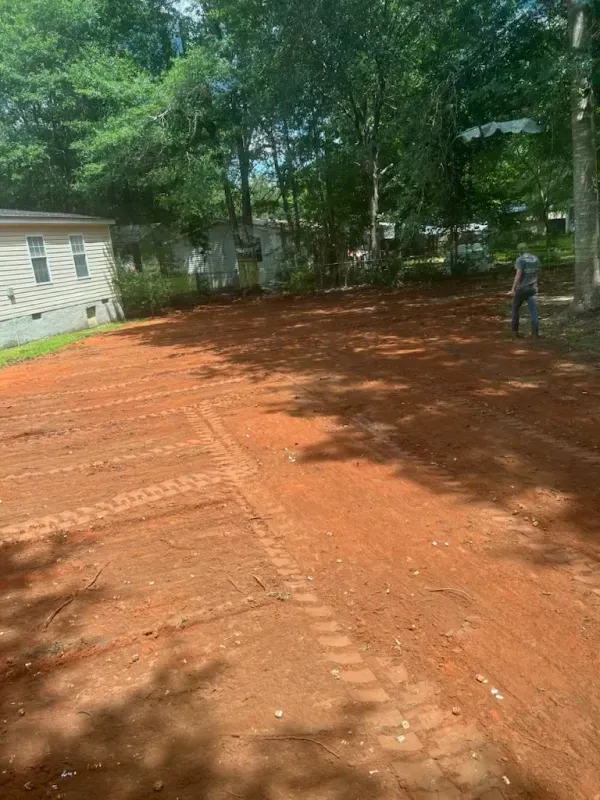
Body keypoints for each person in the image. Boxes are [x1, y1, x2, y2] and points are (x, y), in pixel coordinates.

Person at [510, 243, 540, 338]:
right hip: (533, 288)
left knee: (515, 308)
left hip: (522, 289)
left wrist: (513, 289)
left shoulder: (520, 260)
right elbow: (539, 273)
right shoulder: (536, 259)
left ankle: (514, 332)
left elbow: (518, 274)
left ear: (519, 251)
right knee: (533, 310)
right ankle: (535, 333)